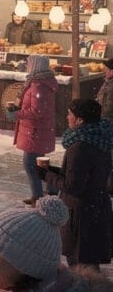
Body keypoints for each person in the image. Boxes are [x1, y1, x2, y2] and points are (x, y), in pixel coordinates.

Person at [45, 98, 113, 272]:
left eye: (70, 114)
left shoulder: (79, 147)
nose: (67, 117)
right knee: (90, 264)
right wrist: (52, 171)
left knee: (79, 265)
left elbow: (74, 186)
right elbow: (88, 175)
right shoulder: (101, 139)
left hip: (80, 215)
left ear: (80, 120)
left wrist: (46, 175)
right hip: (97, 208)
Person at [12, 52, 57, 205]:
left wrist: (16, 114)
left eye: (29, 63)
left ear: (36, 66)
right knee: (38, 163)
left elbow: (37, 111)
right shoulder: (36, 82)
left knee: (30, 164)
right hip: (37, 130)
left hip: (36, 131)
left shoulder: (39, 86)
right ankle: (50, 190)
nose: (26, 66)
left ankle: (38, 196)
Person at [97, 56, 113, 122]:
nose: (104, 71)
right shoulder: (108, 82)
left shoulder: (111, 87)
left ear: (112, 72)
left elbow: (107, 110)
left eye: (106, 69)